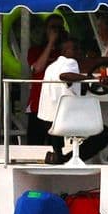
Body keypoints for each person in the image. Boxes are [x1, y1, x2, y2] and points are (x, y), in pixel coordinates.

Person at [37, 33, 108, 164]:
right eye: (75, 49)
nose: (79, 52)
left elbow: (66, 85)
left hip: (49, 121)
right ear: (65, 51)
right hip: (65, 121)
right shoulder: (71, 62)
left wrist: (86, 83)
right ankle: (68, 159)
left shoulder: (51, 67)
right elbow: (65, 76)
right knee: (106, 134)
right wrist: (93, 79)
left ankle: (59, 155)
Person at [23, 13, 69, 145]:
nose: (56, 31)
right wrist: (51, 43)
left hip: (60, 105)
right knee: (34, 145)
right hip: (38, 104)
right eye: (53, 27)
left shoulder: (65, 52)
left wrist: (63, 42)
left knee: (57, 145)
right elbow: (38, 67)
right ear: (46, 30)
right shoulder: (35, 50)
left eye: (59, 28)